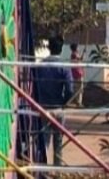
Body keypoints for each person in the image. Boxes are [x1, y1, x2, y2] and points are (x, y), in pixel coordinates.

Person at [36, 34, 74, 166]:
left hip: (43, 108)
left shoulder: (40, 66)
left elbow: (34, 86)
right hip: (58, 108)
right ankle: (57, 170)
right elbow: (70, 90)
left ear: (49, 48)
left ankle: (42, 169)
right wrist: (63, 102)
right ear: (61, 49)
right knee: (58, 141)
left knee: (44, 141)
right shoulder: (64, 67)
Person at [69, 43, 84, 108]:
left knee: (77, 88)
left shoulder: (74, 54)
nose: (78, 48)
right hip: (78, 73)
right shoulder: (74, 54)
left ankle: (77, 102)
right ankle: (78, 103)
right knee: (79, 88)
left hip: (76, 73)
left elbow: (80, 59)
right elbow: (80, 59)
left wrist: (83, 53)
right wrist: (83, 53)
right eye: (78, 47)